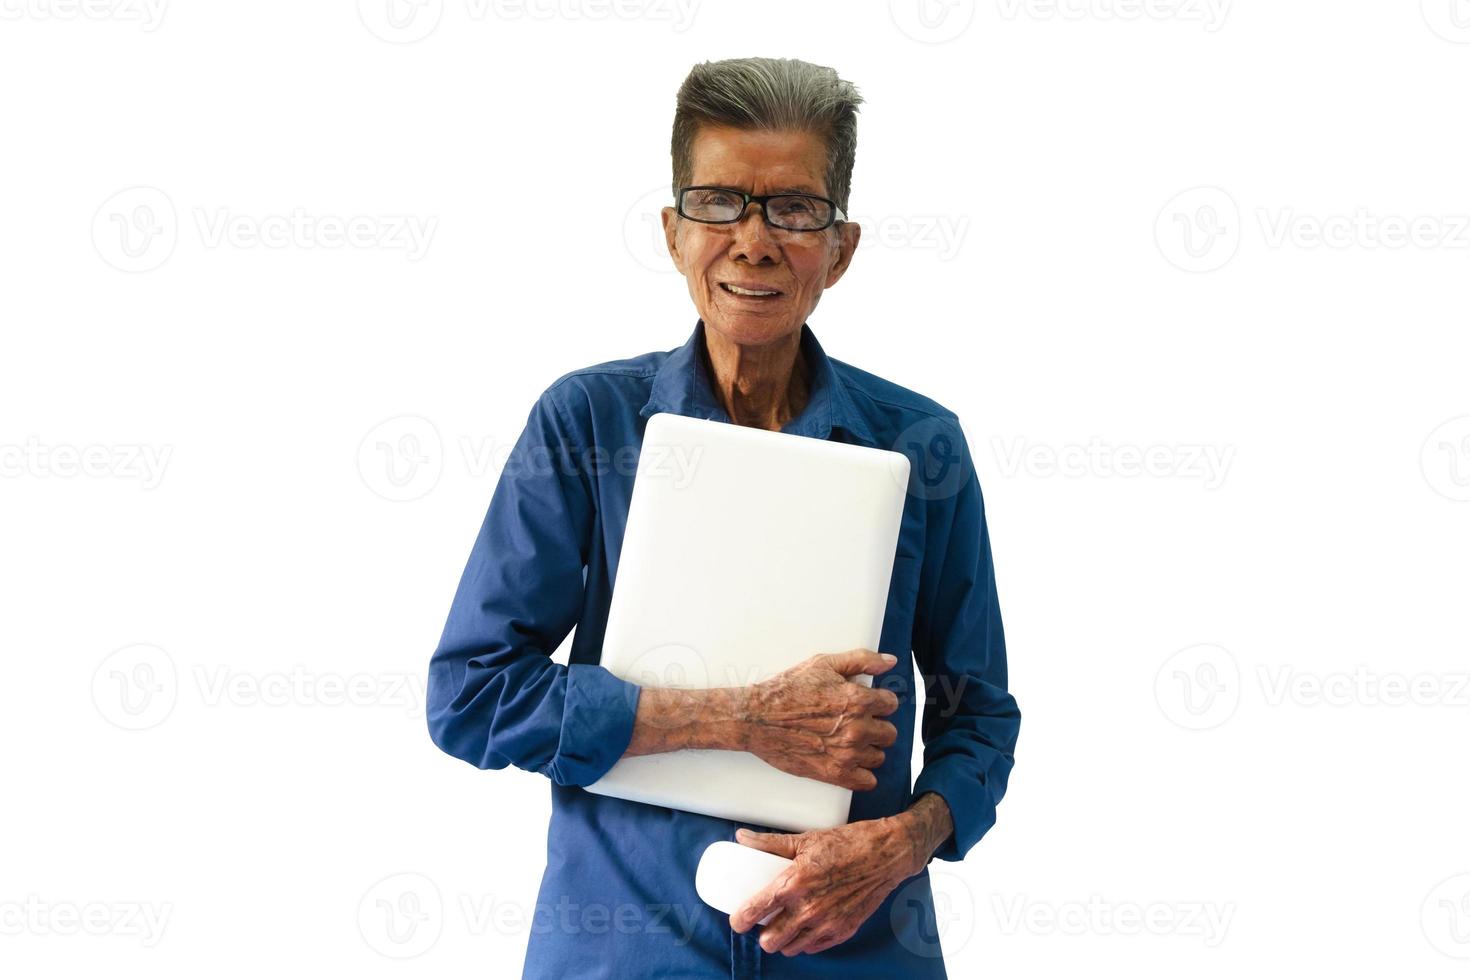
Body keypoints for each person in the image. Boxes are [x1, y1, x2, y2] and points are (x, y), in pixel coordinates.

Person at [426, 56, 1020, 978]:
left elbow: (978, 713)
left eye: (793, 209)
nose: (753, 240)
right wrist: (741, 718)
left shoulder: (920, 444)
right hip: (622, 953)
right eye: (717, 203)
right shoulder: (586, 423)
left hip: (859, 954)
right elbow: (469, 695)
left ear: (842, 247)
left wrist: (903, 842)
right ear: (672, 232)